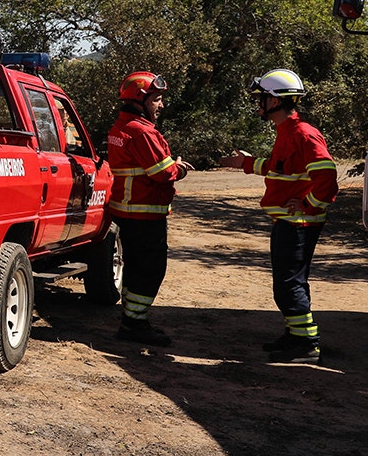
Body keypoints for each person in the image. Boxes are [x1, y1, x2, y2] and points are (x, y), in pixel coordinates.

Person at [220, 69, 338, 364]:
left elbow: (327, 178)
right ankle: (294, 336)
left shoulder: (304, 134)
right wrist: (245, 163)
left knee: (288, 285)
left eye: (262, 98)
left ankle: (306, 344)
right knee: (289, 282)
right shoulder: (287, 132)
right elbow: (279, 167)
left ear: (275, 101)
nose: (258, 104)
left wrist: (308, 204)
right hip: (289, 221)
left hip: (298, 223)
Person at [106, 71, 193, 345]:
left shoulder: (121, 127)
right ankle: (135, 323)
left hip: (129, 212)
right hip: (145, 213)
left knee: (134, 267)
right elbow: (162, 173)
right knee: (151, 269)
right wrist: (178, 168)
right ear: (139, 101)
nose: (161, 105)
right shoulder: (142, 132)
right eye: (157, 99)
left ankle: (131, 319)